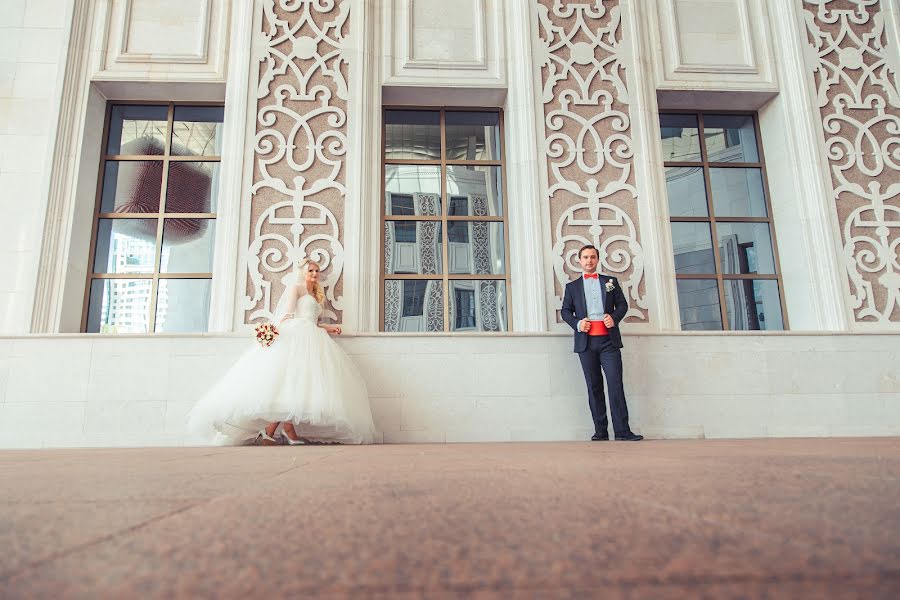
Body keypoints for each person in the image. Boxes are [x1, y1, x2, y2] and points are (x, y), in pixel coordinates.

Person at [188, 259, 376, 445]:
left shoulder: (317, 293)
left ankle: (275, 432)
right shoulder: (297, 288)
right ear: (304, 272)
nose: (315, 274)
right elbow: (288, 313)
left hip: (312, 334)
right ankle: (283, 431)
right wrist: (274, 330)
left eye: (317, 271)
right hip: (297, 335)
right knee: (288, 380)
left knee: (296, 382)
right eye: (311, 270)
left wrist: (329, 328)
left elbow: (314, 322)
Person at [560, 245, 643, 442]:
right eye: (585, 257)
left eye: (592, 257)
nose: (589, 260)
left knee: (615, 384)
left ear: (598, 259)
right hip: (586, 343)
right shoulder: (572, 287)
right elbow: (565, 311)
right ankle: (601, 432)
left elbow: (622, 305)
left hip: (609, 342)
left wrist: (614, 318)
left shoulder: (610, 282)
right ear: (579, 261)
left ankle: (623, 431)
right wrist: (578, 323)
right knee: (594, 387)